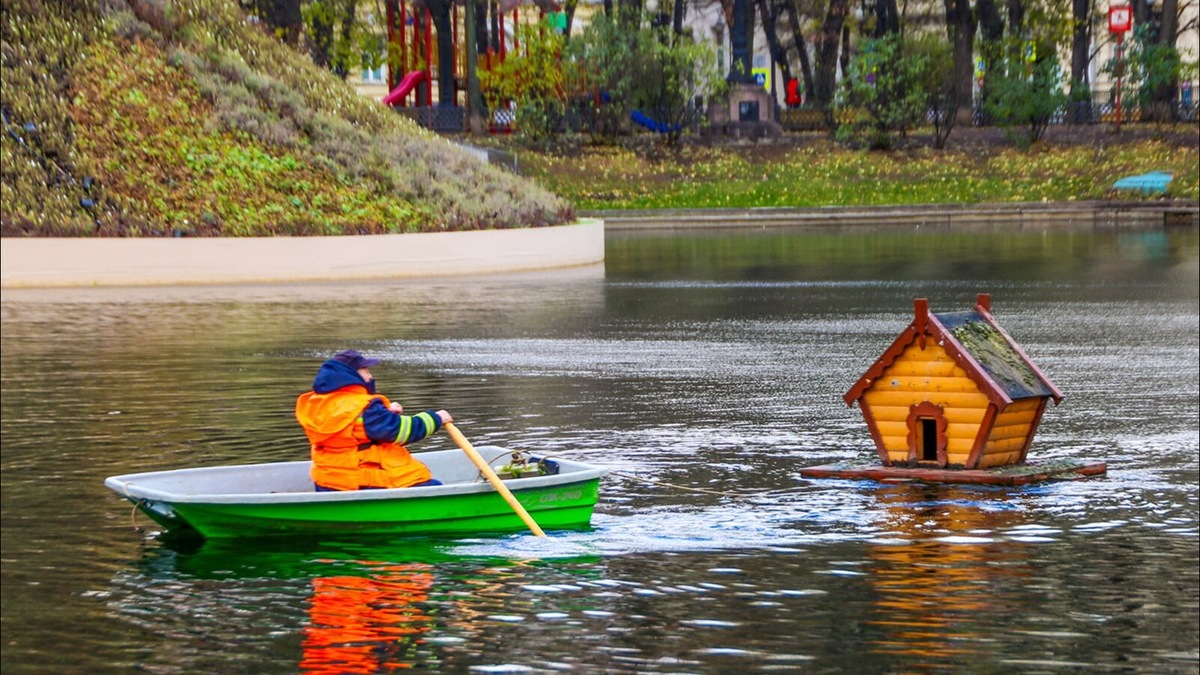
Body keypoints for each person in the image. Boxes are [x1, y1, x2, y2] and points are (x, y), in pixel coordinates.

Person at [295, 349, 452, 491]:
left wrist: (386, 414)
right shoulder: (366, 408)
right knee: (434, 487)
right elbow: (400, 431)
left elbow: (352, 431)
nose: (370, 376)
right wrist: (436, 418)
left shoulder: (315, 404)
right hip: (363, 482)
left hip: (328, 482)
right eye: (366, 371)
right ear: (349, 375)